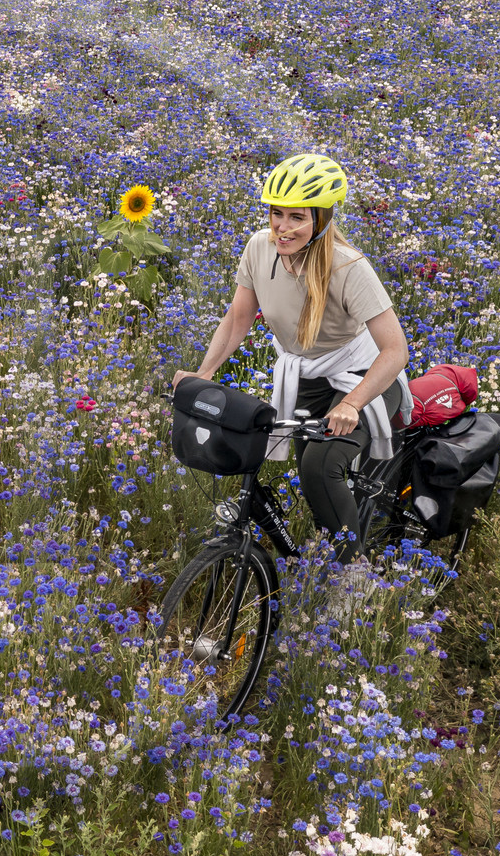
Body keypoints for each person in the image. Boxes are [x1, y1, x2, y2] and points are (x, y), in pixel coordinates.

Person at [172, 153, 413, 583]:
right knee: (307, 472)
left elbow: (395, 352)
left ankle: (352, 583)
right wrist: (203, 372)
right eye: (276, 213)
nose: (282, 227)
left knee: (319, 467)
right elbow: (238, 318)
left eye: (296, 217)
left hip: (361, 378)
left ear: (321, 220)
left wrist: (353, 404)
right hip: (304, 376)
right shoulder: (259, 248)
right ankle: (336, 536)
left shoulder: (348, 268)